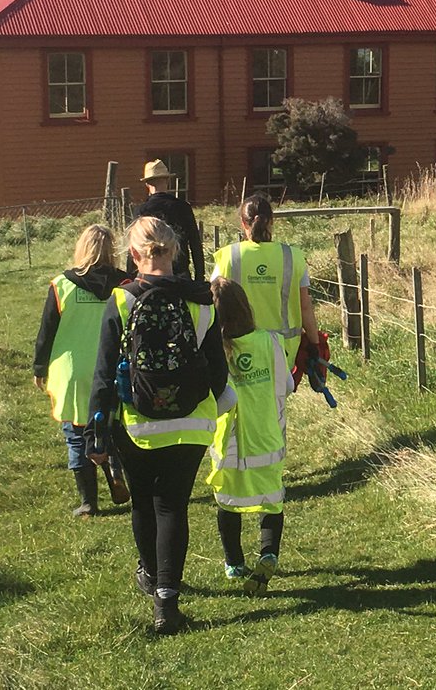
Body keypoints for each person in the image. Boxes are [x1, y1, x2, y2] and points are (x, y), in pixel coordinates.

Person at [88, 216, 231, 635]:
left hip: (138, 422)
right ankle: (168, 602)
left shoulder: (122, 299)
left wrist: (96, 430)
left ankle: (150, 577)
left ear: (133, 255)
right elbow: (217, 370)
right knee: (173, 505)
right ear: (176, 251)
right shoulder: (203, 300)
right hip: (192, 420)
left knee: (143, 503)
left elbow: (103, 373)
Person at [33, 224, 131, 517]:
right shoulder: (125, 284)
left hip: (72, 372)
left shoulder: (62, 284)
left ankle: (89, 502)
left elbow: (46, 331)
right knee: (113, 427)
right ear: (111, 250)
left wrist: (40, 367)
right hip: (112, 367)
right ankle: (116, 470)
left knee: (76, 433)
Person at [208, 277, 294, 595]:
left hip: (229, 442)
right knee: (272, 502)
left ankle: (234, 562)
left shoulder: (215, 350)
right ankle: (268, 553)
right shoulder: (270, 341)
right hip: (268, 436)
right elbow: (287, 385)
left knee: (227, 503)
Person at [211, 193, 320, 366]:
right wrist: (315, 343)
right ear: (272, 221)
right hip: (283, 349)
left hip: (240, 348)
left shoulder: (229, 256)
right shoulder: (293, 257)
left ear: (242, 223)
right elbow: (305, 306)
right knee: (277, 393)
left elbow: (213, 303)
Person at [128, 159, 204, 281]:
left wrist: (131, 278)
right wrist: (200, 277)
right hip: (180, 275)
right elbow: (195, 244)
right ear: (167, 181)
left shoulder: (141, 211)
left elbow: (134, 246)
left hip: (149, 276)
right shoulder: (183, 207)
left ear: (147, 184)